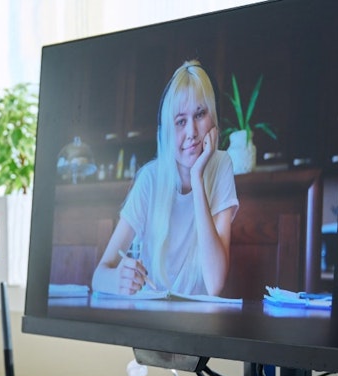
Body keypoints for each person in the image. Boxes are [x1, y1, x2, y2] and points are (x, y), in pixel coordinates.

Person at [90, 60, 238, 297]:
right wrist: (117, 280)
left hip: (199, 324)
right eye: (180, 121)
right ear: (168, 130)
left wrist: (197, 177)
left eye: (200, 114)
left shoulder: (221, 165)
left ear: (213, 118)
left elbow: (215, 283)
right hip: (153, 318)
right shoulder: (150, 178)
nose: (192, 132)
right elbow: (98, 276)